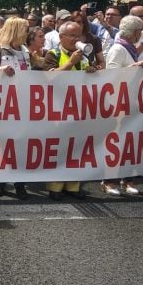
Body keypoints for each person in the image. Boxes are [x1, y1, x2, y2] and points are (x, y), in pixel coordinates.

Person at [0, 17, 43, 199]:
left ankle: (19, 183)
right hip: (2, 104)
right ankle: (0, 182)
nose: (27, 32)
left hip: (22, 104)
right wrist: (0, 70)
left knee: (20, 144)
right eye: (25, 29)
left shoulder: (25, 51)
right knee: (2, 144)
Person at [44, 21, 96, 200]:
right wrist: (70, 63)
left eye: (79, 35)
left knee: (77, 148)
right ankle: (55, 187)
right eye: (72, 36)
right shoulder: (53, 54)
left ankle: (73, 185)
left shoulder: (83, 56)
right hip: (58, 109)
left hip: (79, 108)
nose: (76, 39)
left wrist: (90, 70)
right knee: (59, 149)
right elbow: (49, 77)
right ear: (61, 37)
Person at [102, 15, 143, 195]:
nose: (141, 34)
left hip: (132, 101)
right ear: (135, 32)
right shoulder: (118, 49)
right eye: (140, 31)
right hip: (118, 103)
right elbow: (112, 75)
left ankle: (128, 179)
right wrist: (136, 67)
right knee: (116, 143)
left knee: (131, 142)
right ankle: (109, 181)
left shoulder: (129, 48)